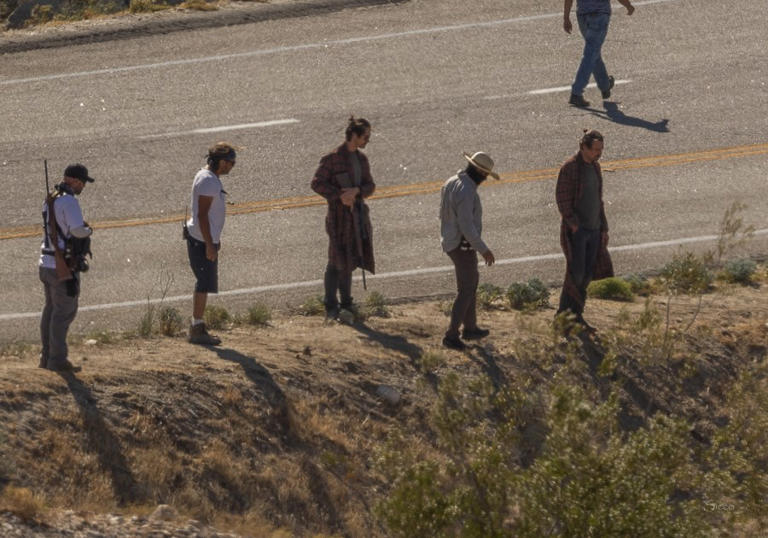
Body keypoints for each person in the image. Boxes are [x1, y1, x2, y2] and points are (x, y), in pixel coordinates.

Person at [311, 116, 376, 322]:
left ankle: (346, 302)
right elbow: (317, 183)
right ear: (354, 135)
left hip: (356, 216)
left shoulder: (362, 159)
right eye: (365, 136)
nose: (367, 140)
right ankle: (331, 305)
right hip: (338, 218)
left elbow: (370, 186)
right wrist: (339, 195)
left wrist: (357, 191)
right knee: (335, 260)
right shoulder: (332, 159)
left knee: (350, 259)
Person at [555, 129, 614, 331]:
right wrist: (575, 226)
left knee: (587, 275)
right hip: (578, 232)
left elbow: (599, 201)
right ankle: (563, 317)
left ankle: (576, 316)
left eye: (601, 149)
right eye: (596, 149)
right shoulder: (570, 168)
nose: (599, 153)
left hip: (594, 230)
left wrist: (603, 227)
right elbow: (562, 201)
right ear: (584, 147)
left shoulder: (595, 167)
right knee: (575, 274)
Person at [439, 152, 498, 351]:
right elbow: (466, 225)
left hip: (452, 241)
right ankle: (452, 335)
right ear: (480, 171)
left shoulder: (452, 181)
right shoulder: (467, 191)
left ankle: (470, 327)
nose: (486, 178)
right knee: (467, 288)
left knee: (470, 284)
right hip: (462, 244)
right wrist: (484, 249)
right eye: (486, 174)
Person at [39, 164, 94, 371]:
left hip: (46, 262)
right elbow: (77, 231)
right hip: (61, 265)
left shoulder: (50, 198)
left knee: (51, 310)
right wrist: (89, 230)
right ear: (75, 180)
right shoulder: (69, 201)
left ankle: (46, 357)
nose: (82, 186)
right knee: (63, 314)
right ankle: (57, 360)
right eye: (82, 182)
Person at [185, 142, 236, 345]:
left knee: (204, 283)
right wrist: (209, 244)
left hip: (203, 237)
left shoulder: (208, 177)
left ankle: (198, 325)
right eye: (231, 163)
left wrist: (214, 238)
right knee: (204, 283)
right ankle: (197, 328)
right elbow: (203, 215)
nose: (232, 166)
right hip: (201, 240)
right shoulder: (208, 182)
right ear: (222, 162)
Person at [564, 0, 635, 107]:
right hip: (599, 15)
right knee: (590, 54)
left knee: (593, 52)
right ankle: (576, 92)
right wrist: (628, 5)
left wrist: (566, 17)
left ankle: (605, 85)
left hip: (582, 15)